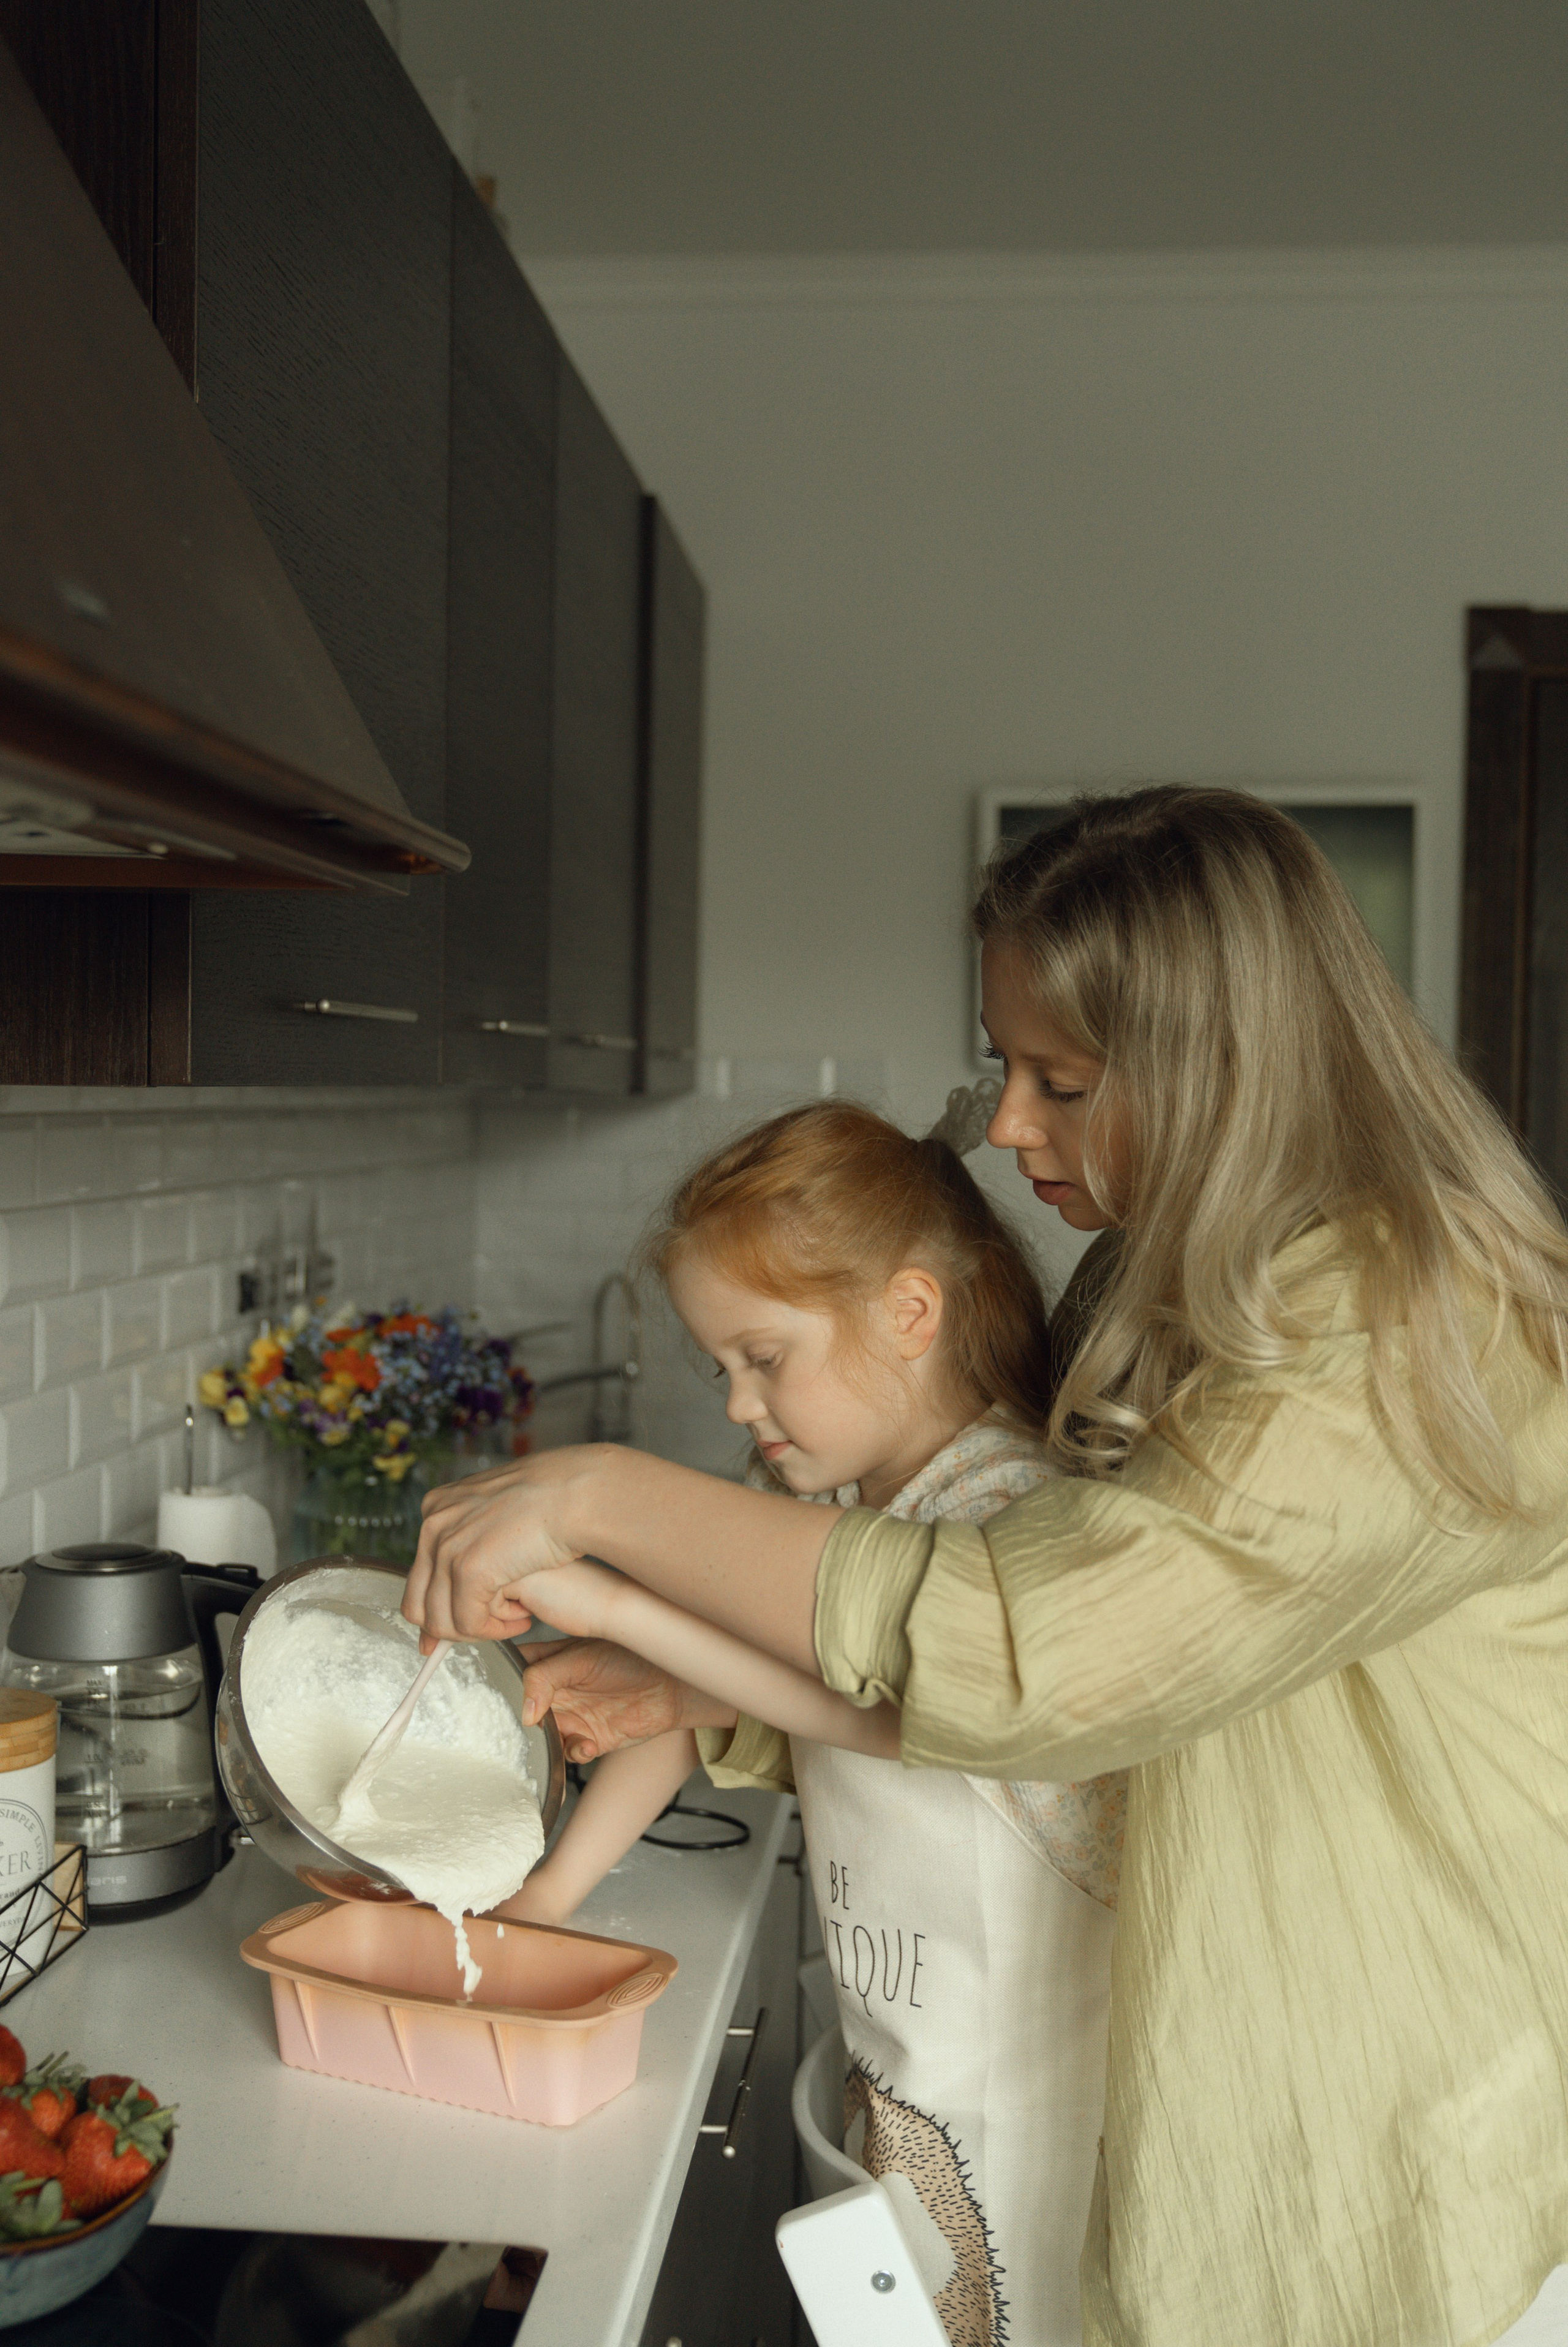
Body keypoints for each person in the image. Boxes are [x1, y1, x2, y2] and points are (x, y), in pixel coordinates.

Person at [407, 786, 1568, 2347]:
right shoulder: (1162, 1277)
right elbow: (1094, 1682)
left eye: (1060, 1079)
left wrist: (604, 1504)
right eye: (1004, 1062)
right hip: (1215, 2109)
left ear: (1218, 1063)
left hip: (1373, 2150)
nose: (1005, 1124)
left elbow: (1040, 1647)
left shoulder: (1403, 1311)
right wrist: (701, 1687)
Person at [499, 1099, 1126, 2347]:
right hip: (903, 2066)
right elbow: (681, 1699)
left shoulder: (1007, 1514)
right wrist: (546, 1900)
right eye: (719, 1366)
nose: (738, 1404)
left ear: (908, 1312)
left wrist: (626, 1603)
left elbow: (894, 1701)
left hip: (1031, 2108)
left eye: (761, 1357)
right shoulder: (842, 1507)